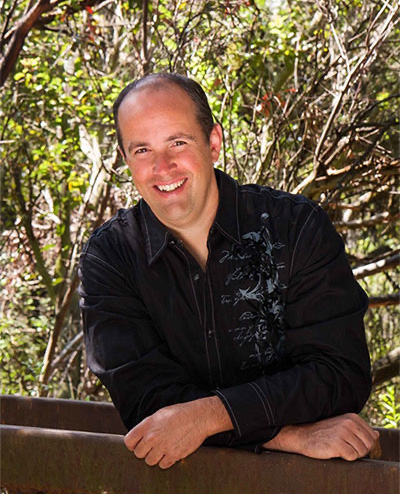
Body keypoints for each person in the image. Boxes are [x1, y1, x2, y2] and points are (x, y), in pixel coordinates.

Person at [79, 73, 378, 470]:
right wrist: (289, 436)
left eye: (178, 143)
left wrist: (206, 418)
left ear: (214, 143)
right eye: (142, 150)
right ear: (126, 159)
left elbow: (340, 374)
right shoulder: (110, 257)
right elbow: (148, 406)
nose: (162, 167)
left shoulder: (295, 227)